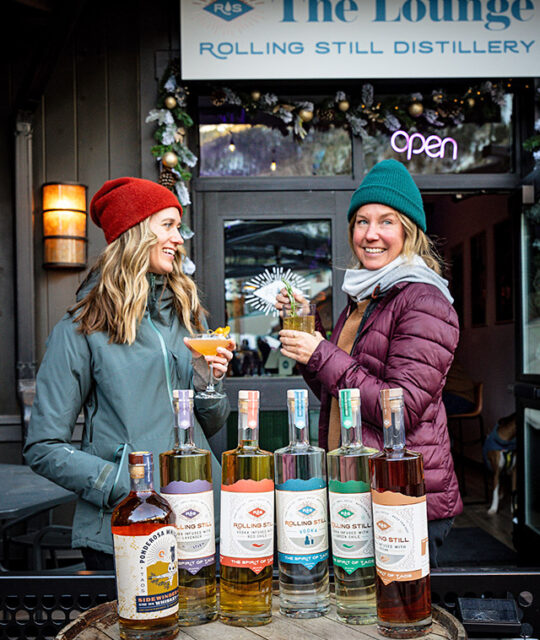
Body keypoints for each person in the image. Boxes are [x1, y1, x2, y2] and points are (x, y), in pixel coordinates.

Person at [24, 177, 234, 570]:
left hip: (202, 516)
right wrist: (127, 484)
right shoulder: (81, 330)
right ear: (134, 232)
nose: (178, 238)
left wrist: (208, 382)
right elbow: (43, 446)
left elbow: (208, 425)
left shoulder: (186, 317)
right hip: (127, 523)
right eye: (167, 225)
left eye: (179, 227)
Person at [276, 159, 462, 566]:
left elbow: (402, 408)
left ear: (409, 232)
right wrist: (313, 335)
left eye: (386, 222)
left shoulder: (423, 301)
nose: (371, 234)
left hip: (401, 499)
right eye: (361, 222)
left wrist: (321, 352)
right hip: (359, 490)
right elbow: (339, 390)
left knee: (396, 623)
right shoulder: (366, 298)